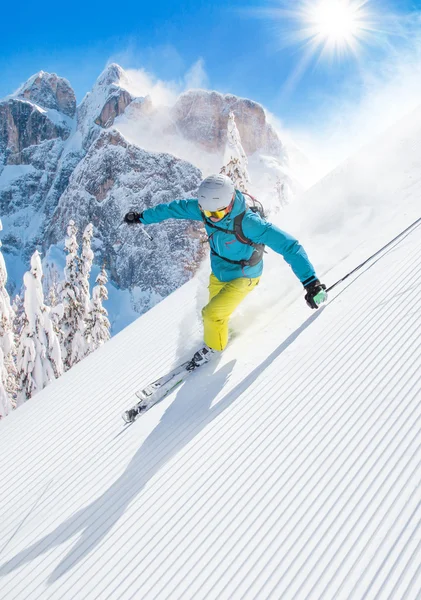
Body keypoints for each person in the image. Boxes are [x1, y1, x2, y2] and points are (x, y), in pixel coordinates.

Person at [124, 174, 326, 370]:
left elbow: (290, 246)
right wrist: (142, 218)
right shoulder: (208, 210)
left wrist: (311, 282)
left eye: (218, 214)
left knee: (211, 314)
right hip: (220, 273)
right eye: (207, 213)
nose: (212, 218)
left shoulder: (249, 223)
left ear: (230, 204)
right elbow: (174, 209)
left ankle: (214, 348)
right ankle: (223, 332)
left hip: (245, 276)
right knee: (213, 313)